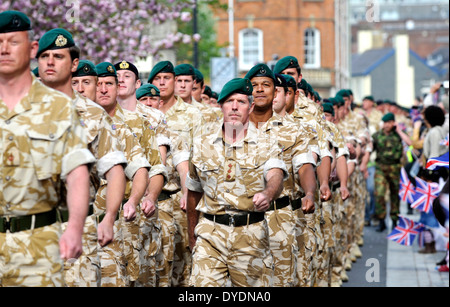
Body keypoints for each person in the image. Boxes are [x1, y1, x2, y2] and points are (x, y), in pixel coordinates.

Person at [0, 11, 95, 287]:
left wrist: (75, 228)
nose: (4, 49)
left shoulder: (59, 107)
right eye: (0, 42)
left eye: (13, 42)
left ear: (31, 49)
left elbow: (77, 173)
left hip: (37, 246)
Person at [37, 28, 128, 287]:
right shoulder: (18, 108)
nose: (51, 62)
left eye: (59, 56)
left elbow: (114, 171)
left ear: (74, 63)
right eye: (45, 57)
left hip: (78, 228)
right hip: (27, 233)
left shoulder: (93, 114)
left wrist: (109, 217)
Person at [186, 77, 288, 287]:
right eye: (229, 101)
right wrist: (191, 236)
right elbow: (193, 192)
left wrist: (268, 194)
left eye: (241, 102)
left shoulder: (266, 142)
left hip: (250, 236)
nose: (234, 107)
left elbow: (276, 175)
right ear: (220, 106)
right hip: (210, 235)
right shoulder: (201, 143)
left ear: (250, 107)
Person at [246, 66, 317, 287]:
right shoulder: (232, 127)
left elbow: (304, 165)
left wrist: (310, 192)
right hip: (241, 218)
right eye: (254, 86)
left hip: (279, 217)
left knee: (282, 281)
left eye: (266, 86)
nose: (259, 90)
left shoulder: (293, 129)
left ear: (276, 92)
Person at [95, 62, 152, 287]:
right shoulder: (73, 121)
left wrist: (134, 200)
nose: (103, 89)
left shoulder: (127, 126)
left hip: (116, 221)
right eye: (98, 84)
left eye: (109, 83)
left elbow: (142, 169)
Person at [148, 60, 204, 287]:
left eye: (167, 78)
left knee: (184, 266)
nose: (162, 82)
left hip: (181, 200)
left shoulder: (192, 114)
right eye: (157, 78)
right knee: (153, 263)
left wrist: (190, 193)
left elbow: (200, 155)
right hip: (152, 201)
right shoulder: (145, 112)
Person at [114, 60, 168, 286]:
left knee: (143, 272)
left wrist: (150, 196)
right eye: (117, 76)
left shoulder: (152, 118)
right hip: (109, 208)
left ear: (137, 83)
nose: (120, 80)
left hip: (140, 205)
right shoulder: (100, 117)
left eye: (127, 76)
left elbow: (159, 163)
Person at [372, 112, 404, 232]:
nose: (386, 125)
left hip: (395, 168)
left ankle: (394, 220)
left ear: (393, 123)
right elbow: (370, 148)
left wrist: (399, 130)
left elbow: (410, 143)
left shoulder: (398, 135)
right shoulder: (377, 135)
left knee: (395, 194)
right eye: (385, 123)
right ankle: (381, 220)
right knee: (379, 194)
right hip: (381, 167)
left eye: (389, 123)